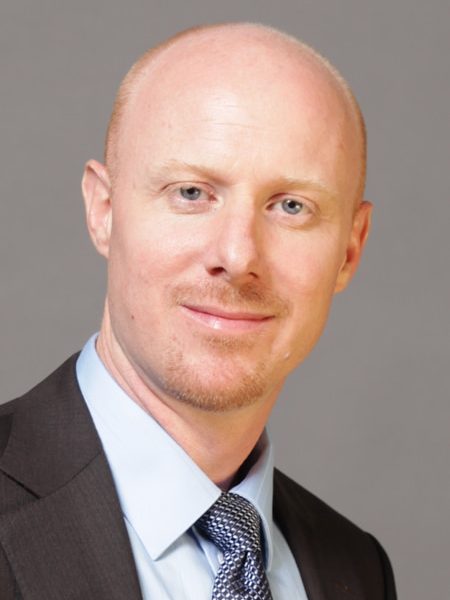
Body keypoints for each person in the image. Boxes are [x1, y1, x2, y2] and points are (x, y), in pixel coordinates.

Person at [0, 22, 396, 599]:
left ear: (350, 250)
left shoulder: (356, 570)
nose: (238, 256)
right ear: (104, 210)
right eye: (191, 193)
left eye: (291, 206)